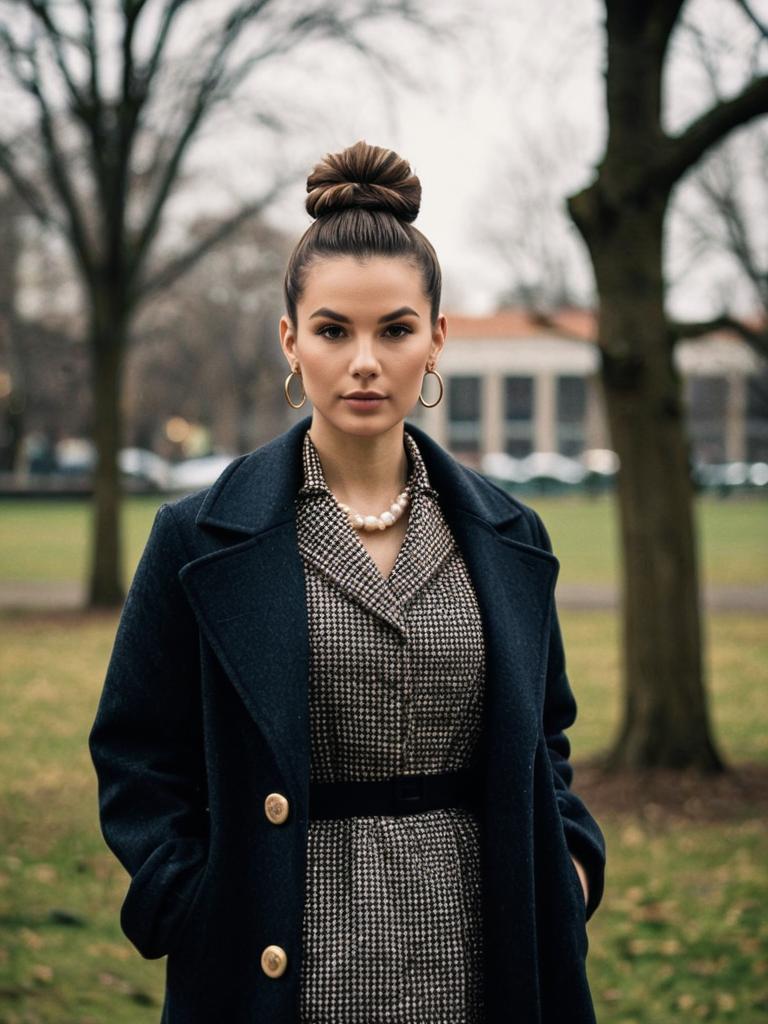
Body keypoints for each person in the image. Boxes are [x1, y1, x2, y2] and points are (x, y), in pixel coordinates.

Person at [88, 140, 606, 1024]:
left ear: (436, 339)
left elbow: (544, 735)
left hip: (483, 954)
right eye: (334, 331)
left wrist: (569, 866)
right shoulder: (196, 538)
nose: (365, 360)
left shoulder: (509, 535)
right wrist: (192, 901)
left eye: (395, 330)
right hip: (278, 957)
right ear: (291, 341)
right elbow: (135, 754)